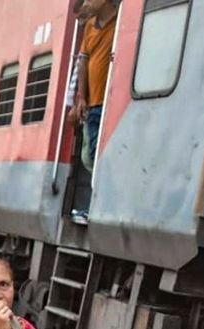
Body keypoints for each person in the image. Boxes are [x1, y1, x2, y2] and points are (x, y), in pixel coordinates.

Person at [68, 0, 118, 223]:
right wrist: (81, 97)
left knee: (100, 157)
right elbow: (83, 63)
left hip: (112, 103)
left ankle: (98, 208)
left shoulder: (121, 21)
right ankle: (98, 205)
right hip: (93, 103)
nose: (87, 2)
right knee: (90, 157)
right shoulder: (89, 26)